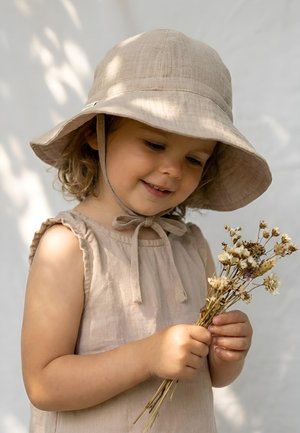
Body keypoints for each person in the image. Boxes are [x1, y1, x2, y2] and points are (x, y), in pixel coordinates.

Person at [21, 29, 272, 433]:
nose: (173, 169)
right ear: (95, 133)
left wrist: (226, 355)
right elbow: (43, 383)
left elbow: (210, 376)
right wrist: (147, 356)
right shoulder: (68, 246)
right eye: (155, 144)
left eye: (194, 158)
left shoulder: (192, 246)